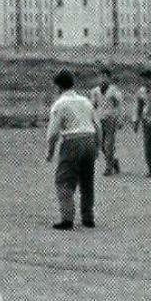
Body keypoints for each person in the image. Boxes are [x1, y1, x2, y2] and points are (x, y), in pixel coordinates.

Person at [46, 69, 100, 230]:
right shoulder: (85, 101)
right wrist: (97, 146)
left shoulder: (60, 104)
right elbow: (98, 125)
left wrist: (50, 152)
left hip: (72, 141)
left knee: (63, 181)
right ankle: (88, 217)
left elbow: (53, 133)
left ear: (58, 87)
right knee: (87, 181)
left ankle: (67, 218)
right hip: (89, 139)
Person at [88, 67, 125, 175]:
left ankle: (108, 168)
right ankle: (113, 161)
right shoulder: (95, 91)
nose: (103, 79)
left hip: (110, 119)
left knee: (109, 144)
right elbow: (92, 106)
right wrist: (90, 119)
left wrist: (120, 119)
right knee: (102, 145)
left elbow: (119, 106)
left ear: (109, 78)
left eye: (105, 76)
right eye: (101, 76)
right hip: (99, 120)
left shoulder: (114, 91)